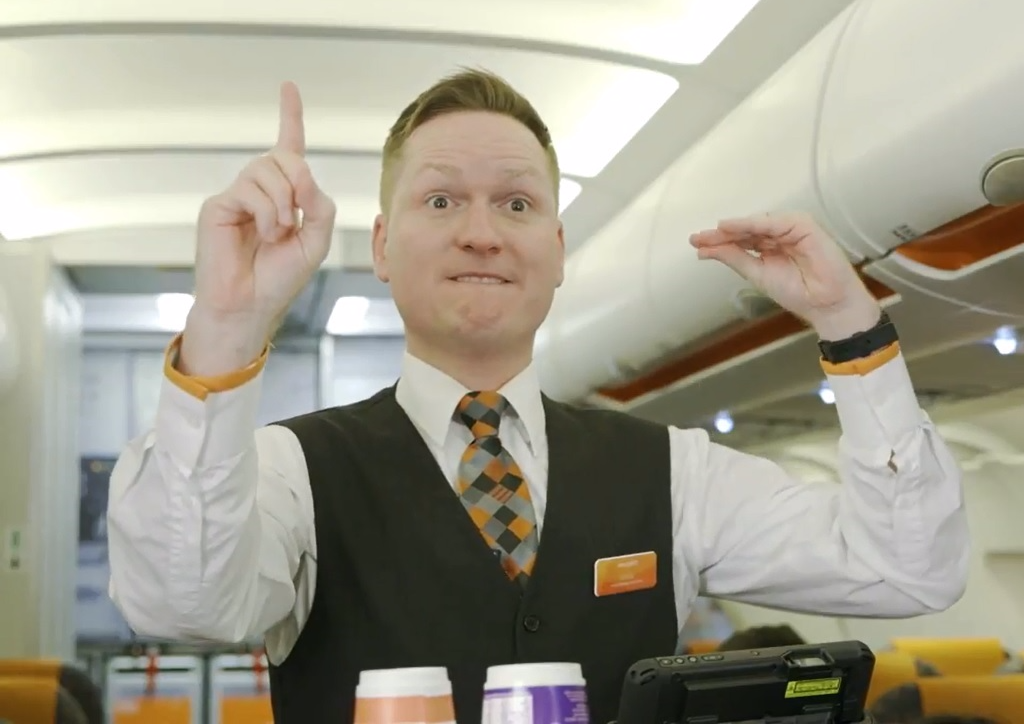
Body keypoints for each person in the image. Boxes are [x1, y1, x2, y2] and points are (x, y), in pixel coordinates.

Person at [106, 69, 970, 724]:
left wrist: (851, 327)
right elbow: (182, 603)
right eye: (441, 198)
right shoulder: (290, 471)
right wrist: (226, 322)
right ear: (380, 243)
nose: (481, 231)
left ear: (556, 250)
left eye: (516, 203)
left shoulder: (673, 470)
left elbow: (909, 567)